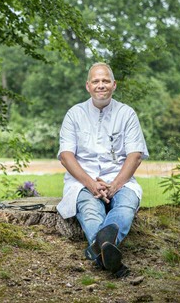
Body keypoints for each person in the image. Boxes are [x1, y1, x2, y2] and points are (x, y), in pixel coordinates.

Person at [57, 62, 149, 278]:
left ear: (114, 85)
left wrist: (114, 186)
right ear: (88, 86)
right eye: (96, 81)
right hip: (82, 182)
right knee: (90, 213)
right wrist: (91, 184)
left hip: (120, 180)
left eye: (105, 81)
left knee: (125, 207)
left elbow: (135, 155)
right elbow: (66, 156)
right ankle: (110, 260)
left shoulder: (127, 114)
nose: (101, 85)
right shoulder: (74, 114)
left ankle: (98, 250)